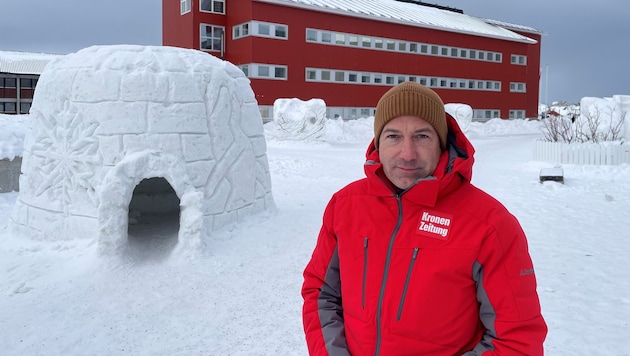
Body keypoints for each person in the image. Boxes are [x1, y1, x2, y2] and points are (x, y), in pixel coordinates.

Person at [301, 82, 547, 355]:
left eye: (422, 136)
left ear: (441, 144)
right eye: (393, 136)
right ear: (377, 143)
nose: (407, 153)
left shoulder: (490, 225)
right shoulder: (345, 206)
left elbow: (517, 340)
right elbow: (320, 295)